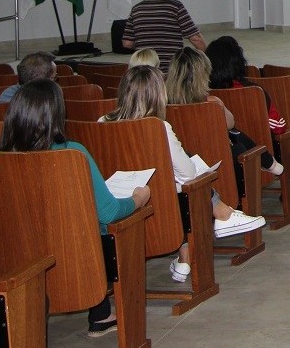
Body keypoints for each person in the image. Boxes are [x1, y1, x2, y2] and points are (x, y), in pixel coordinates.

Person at [0, 78, 151, 337]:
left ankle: (100, 312)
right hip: (77, 261)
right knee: (96, 227)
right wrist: (138, 199)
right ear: (56, 115)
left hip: (15, 257)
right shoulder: (72, 153)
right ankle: (102, 314)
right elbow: (110, 212)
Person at [101, 65, 266, 283]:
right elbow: (188, 175)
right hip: (163, 209)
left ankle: (186, 252)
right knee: (195, 181)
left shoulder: (102, 123)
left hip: (120, 202)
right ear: (159, 95)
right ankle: (221, 215)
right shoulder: (160, 127)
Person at [207, 36, 290, 192]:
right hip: (262, 152)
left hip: (226, 153)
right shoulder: (253, 91)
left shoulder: (206, 95)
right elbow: (278, 127)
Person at [165, 46, 283, 175]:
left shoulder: (165, 106)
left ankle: (268, 162)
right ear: (204, 75)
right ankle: (268, 162)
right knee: (235, 135)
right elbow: (231, 123)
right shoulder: (213, 103)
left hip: (185, 161)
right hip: (221, 164)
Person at [122, 0, 206, 72]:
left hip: (145, 73)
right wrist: (207, 58)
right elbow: (196, 39)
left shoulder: (137, 9)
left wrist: (145, 42)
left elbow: (127, 43)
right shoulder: (176, 7)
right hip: (172, 72)